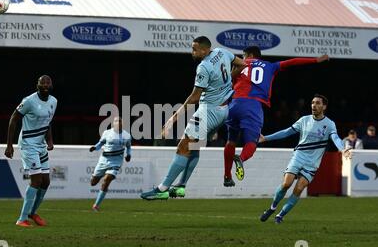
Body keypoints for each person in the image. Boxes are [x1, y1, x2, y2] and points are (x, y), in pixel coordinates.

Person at [140, 36, 245, 200]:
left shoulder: (204, 67)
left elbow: (195, 97)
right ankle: (181, 186)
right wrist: (228, 82)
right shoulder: (222, 52)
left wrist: (172, 120)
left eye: (194, 49)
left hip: (208, 112)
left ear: (204, 50)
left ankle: (162, 189)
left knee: (183, 147)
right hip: (224, 110)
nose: (192, 52)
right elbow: (242, 64)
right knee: (194, 148)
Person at [223, 46, 330, 187]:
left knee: (231, 141)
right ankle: (241, 159)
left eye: (243, 55)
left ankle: (227, 176)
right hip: (253, 106)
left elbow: (226, 84)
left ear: (249, 54)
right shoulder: (270, 66)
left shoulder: (239, 65)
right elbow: (293, 61)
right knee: (252, 143)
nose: (242, 58)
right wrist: (315, 60)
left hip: (234, 104)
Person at [258, 94, 352, 224]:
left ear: (324, 106)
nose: (314, 105)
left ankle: (280, 215)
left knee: (298, 189)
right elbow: (287, 132)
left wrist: (343, 149)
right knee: (286, 184)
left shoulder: (329, 124)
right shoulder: (304, 120)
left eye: (318, 103)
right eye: (313, 102)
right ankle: (272, 208)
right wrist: (266, 138)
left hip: (312, 163)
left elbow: (335, 138)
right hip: (299, 157)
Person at [5, 75, 57, 228]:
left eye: (48, 82)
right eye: (43, 83)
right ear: (37, 85)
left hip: (40, 145)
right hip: (28, 144)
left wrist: (49, 140)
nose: (45, 85)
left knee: (46, 182)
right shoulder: (29, 101)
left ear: (51, 85)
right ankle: (21, 219)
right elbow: (13, 119)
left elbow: (48, 122)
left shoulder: (54, 101)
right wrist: (9, 145)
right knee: (36, 180)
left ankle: (32, 213)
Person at [89, 117, 131, 211]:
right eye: (116, 121)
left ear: (122, 123)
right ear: (113, 123)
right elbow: (100, 143)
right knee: (93, 183)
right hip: (104, 160)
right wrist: (95, 147)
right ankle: (96, 176)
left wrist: (129, 155)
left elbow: (128, 147)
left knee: (107, 179)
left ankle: (96, 205)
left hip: (116, 161)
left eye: (120, 121)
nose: (118, 122)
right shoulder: (107, 133)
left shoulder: (126, 135)